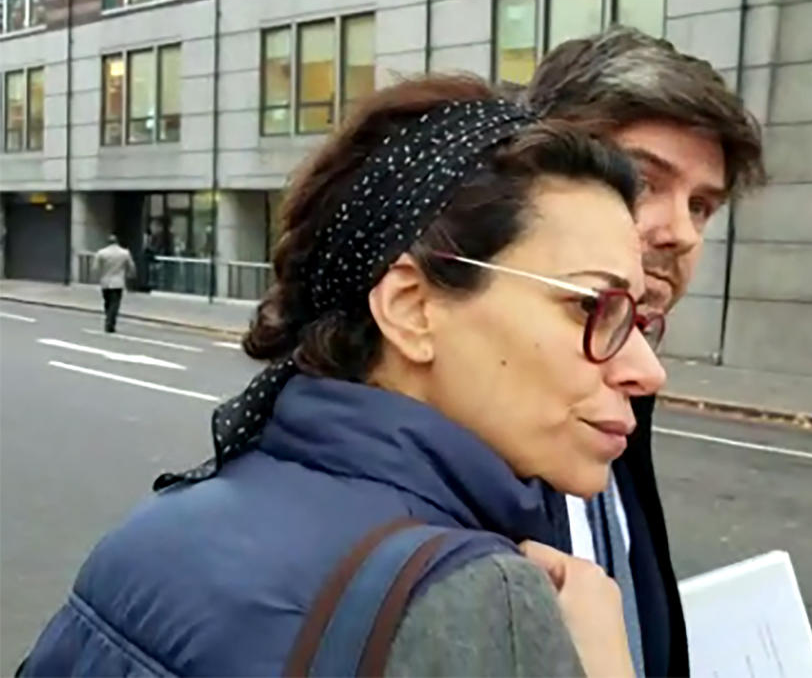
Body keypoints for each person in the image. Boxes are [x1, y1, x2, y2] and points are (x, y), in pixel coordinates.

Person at [18, 76, 667, 676]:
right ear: (411, 307)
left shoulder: (159, 522)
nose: (647, 370)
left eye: (640, 321)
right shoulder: (480, 599)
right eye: (592, 307)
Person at [519, 26, 767, 677]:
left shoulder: (623, 398)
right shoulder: (451, 440)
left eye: (702, 206)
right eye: (641, 181)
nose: (682, 233)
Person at [93, 235, 136, 333]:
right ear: (117, 242)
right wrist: (131, 275)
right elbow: (131, 266)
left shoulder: (101, 253)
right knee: (115, 303)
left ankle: (108, 319)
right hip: (118, 282)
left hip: (105, 282)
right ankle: (110, 322)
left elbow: (95, 268)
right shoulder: (124, 253)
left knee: (107, 302)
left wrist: (99, 276)